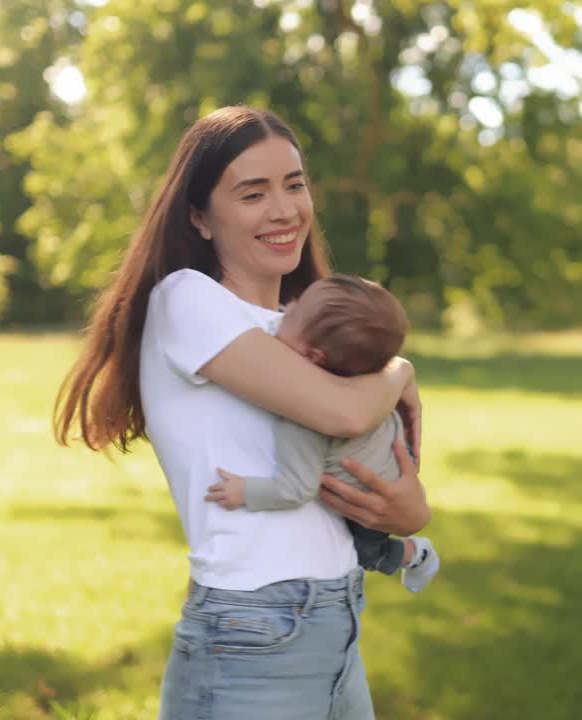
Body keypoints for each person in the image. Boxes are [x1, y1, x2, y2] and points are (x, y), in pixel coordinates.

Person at [52, 106, 432, 720]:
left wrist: (412, 512)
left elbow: (374, 458)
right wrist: (401, 371)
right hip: (254, 632)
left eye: (295, 184)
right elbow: (342, 414)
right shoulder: (188, 301)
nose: (284, 210)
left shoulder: (304, 329)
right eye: (253, 193)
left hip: (335, 618)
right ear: (200, 216)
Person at [203, 274, 441, 593]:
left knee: (362, 552)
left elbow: (296, 489)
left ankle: (417, 555)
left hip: (377, 491)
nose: (287, 308)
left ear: (313, 357)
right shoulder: (347, 375)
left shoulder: (307, 418)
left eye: (295, 312)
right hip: (388, 454)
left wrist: (244, 492)